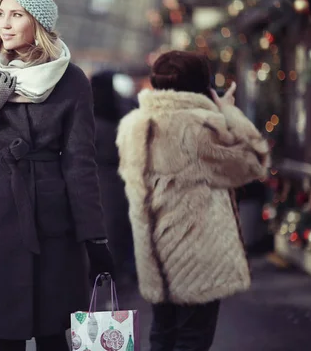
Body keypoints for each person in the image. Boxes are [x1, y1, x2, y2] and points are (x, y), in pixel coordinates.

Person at [0, 0, 115, 351]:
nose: (4, 23)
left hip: (51, 224)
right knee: (4, 338)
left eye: (16, 14)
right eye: (1, 13)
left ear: (39, 22)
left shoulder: (70, 80)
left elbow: (81, 164)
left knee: (54, 337)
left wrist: (94, 237)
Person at [116, 50, 270, 351]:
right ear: (203, 84)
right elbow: (255, 161)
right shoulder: (199, 128)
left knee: (163, 334)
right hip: (196, 258)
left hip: (154, 256)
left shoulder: (133, 126)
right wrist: (228, 112)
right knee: (192, 340)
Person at [91, 71, 138, 291]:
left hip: (98, 182)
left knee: (103, 233)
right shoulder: (124, 113)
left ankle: (104, 280)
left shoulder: (90, 119)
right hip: (122, 181)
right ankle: (121, 277)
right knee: (120, 232)